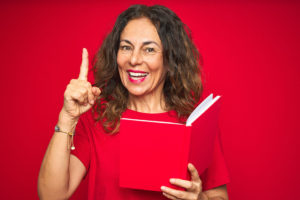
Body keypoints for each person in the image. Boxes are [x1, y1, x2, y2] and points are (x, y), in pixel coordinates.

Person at [38, 4, 230, 200]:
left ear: (170, 59)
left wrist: (199, 199)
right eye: (126, 47)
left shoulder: (195, 122)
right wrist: (67, 117)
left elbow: (219, 197)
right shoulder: (97, 117)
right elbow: (50, 196)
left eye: (149, 49)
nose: (134, 59)